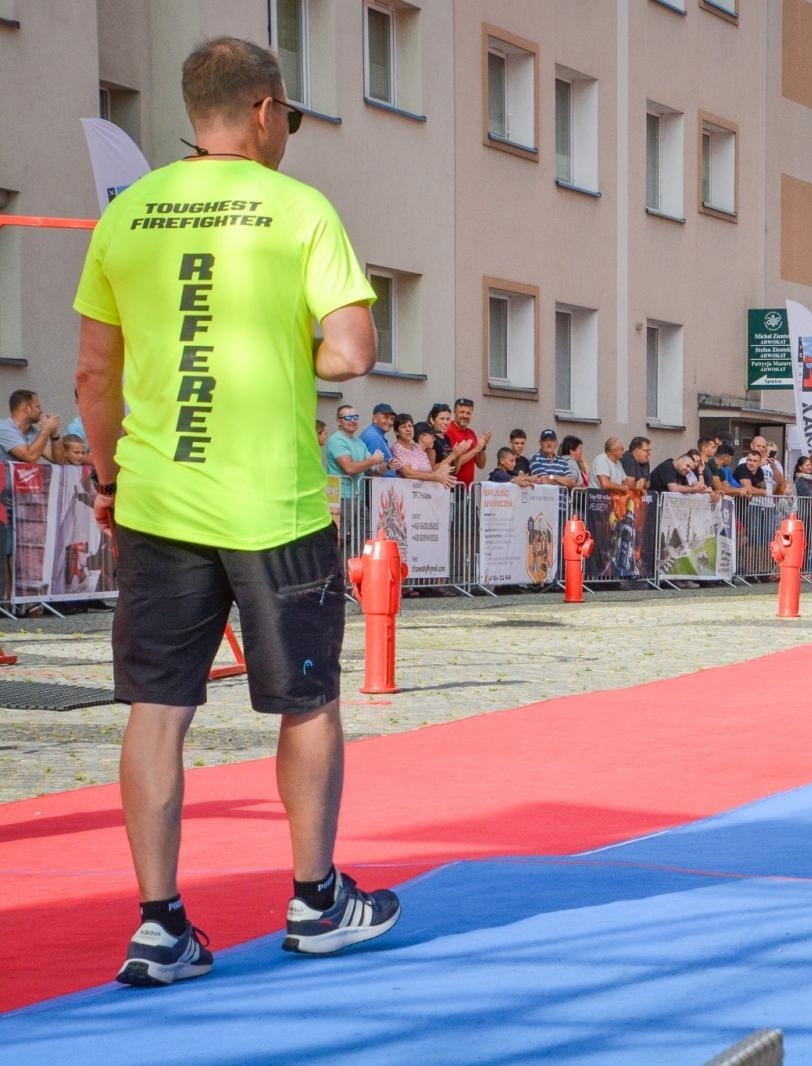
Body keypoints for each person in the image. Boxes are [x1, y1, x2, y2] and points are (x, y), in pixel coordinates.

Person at [72, 36, 402, 987]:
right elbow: (351, 352)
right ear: (264, 110)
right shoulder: (300, 209)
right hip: (273, 499)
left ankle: (160, 925)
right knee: (306, 702)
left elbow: (95, 373)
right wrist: (279, 340)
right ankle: (314, 899)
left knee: (159, 708)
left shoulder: (126, 213)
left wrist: (106, 479)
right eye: (288, 117)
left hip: (158, 497)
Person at [324, 404, 393, 498]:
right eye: (348, 418)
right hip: (341, 497)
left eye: (355, 417)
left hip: (359, 497)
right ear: (338, 421)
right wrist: (373, 460)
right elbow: (349, 468)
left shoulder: (359, 443)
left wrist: (388, 465)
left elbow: (374, 469)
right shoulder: (336, 440)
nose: (353, 420)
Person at [1, 389, 64, 464]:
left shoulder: (32, 432)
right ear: (26, 409)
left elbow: (59, 461)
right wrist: (46, 430)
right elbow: (30, 457)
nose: (41, 411)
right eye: (38, 407)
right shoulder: (4, 428)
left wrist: (54, 434)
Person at [390, 414, 454, 486]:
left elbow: (428, 471)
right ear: (396, 432)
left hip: (423, 494)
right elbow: (408, 473)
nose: (408, 429)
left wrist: (439, 472)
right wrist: (436, 476)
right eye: (403, 427)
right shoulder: (397, 449)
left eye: (410, 426)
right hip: (405, 493)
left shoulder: (416, 448)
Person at [445, 397, 490, 485]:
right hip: (453, 488)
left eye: (468, 413)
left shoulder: (471, 433)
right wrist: (476, 449)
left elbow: (481, 465)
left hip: (468, 488)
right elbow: (454, 462)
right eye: (461, 412)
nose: (465, 416)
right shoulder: (448, 431)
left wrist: (482, 447)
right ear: (454, 413)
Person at [358, 402, 397, 477]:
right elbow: (373, 469)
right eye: (385, 417)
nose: (389, 422)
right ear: (375, 418)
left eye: (392, 419)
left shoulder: (375, 434)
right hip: (376, 486)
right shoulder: (374, 436)